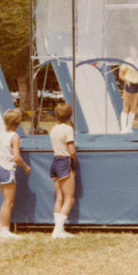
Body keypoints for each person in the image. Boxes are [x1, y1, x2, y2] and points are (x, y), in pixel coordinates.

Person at [0, 110, 31, 239]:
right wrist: (26, 167)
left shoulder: (2, 133)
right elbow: (17, 157)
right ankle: (4, 230)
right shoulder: (15, 137)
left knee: (6, 202)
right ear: (18, 123)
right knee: (8, 202)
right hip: (8, 169)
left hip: (0, 168)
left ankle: (2, 228)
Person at [50, 102, 77, 238]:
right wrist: (75, 160)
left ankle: (58, 229)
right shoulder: (68, 130)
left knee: (59, 197)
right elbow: (71, 149)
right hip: (64, 162)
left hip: (55, 161)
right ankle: (58, 230)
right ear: (69, 116)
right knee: (69, 199)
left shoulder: (54, 128)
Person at [118, 49, 138, 133]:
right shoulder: (126, 61)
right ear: (129, 53)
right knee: (126, 106)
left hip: (136, 84)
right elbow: (120, 75)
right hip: (128, 84)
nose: (134, 53)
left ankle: (129, 127)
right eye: (132, 52)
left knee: (134, 107)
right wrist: (126, 80)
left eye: (135, 52)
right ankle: (123, 128)